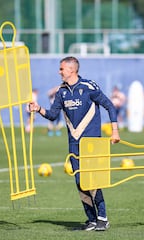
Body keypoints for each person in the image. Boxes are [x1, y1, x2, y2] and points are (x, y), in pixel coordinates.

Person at [29, 56, 120, 231]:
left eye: (61, 69)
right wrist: (38, 109)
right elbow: (52, 115)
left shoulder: (88, 87)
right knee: (80, 182)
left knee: (92, 180)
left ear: (72, 70)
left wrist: (115, 130)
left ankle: (103, 218)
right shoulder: (61, 92)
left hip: (92, 143)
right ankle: (91, 219)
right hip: (74, 145)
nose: (59, 71)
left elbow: (110, 106)